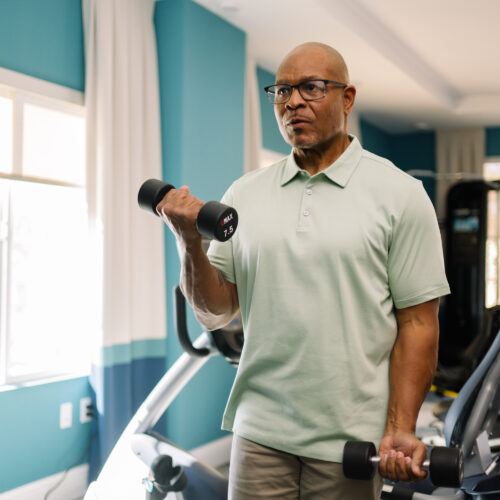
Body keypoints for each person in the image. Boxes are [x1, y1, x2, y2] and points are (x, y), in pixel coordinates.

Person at [157, 42, 450, 500]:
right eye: (282, 91)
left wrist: (401, 426)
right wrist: (188, 240)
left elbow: (417, 323)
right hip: (258, 432)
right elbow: (214, 311)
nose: (292, 101)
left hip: (351, 440)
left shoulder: (401, 195)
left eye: (311, 88)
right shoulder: (245, 193)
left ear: (347, 99)